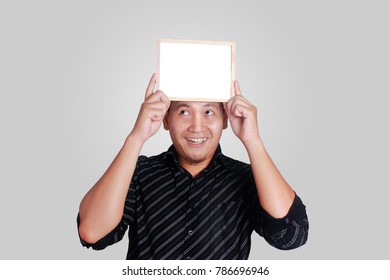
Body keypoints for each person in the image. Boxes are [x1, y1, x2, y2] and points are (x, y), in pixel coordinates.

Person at [77, 73, 309, 259]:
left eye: (209, 112)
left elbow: (291, 235)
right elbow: (92, 233)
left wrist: (253, 141)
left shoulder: (247, 178)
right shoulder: (137, 173)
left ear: (225, 119)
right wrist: (136, 138)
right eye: (184, 112)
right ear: (166, 119)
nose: (197, 127)